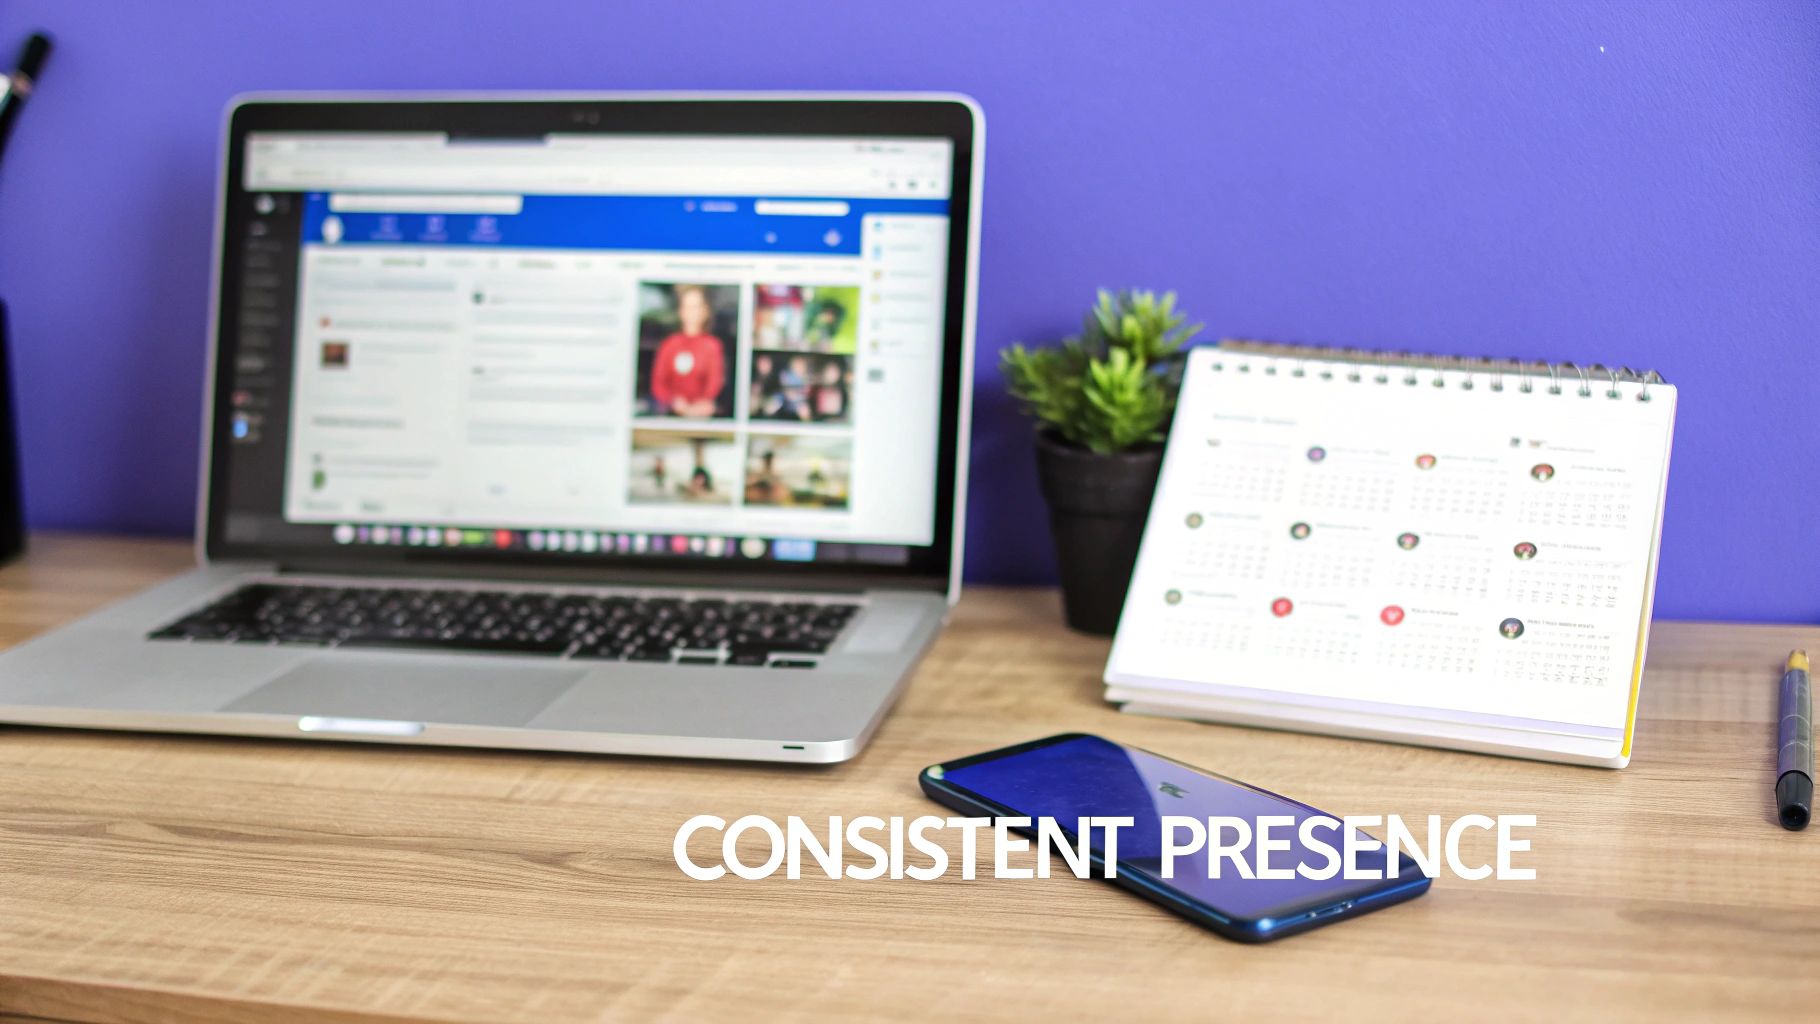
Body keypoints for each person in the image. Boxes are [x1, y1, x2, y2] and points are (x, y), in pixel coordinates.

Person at [649, 285, 727, 418]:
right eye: (688, 307)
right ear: (681, 311)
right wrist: (673, 402)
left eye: (696, 307)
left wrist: (700, 405)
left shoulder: (712, 346)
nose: (692, 313)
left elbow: (715, 383)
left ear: (705, 311)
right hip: (671, 413)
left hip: (703, 414)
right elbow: (658, 384)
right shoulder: (669, 344)